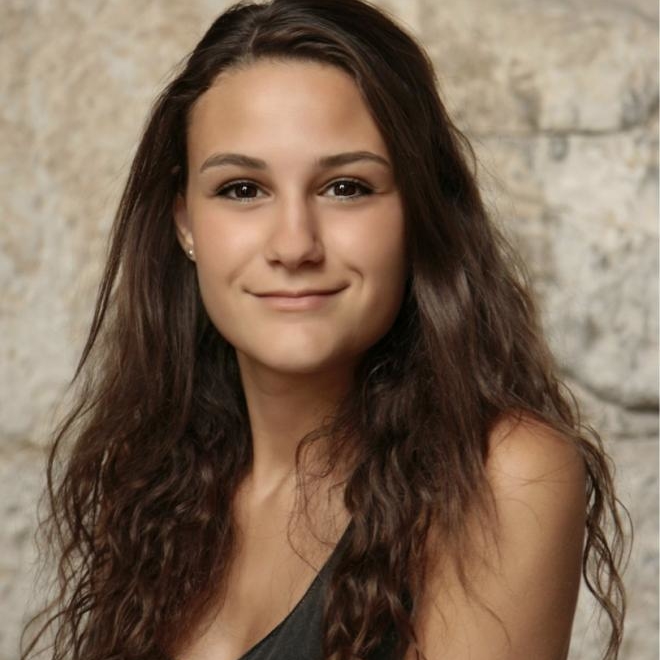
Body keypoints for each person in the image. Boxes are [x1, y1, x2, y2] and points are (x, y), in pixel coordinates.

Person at [21, 1, 628, 659]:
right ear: (185, 222)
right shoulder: (154, 488)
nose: (294, 245)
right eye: (242, 189)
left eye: (345, 187)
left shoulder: (499, 473)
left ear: (419, 210)